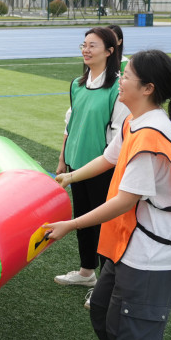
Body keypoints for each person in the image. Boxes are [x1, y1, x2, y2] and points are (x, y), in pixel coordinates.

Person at [43, 50, 171, 340]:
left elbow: (124, 201)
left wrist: (70, 224)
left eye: (127, 75)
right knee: (102, 311)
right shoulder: (135, 121)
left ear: (147, 88)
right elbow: (109, 157)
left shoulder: (150, 137)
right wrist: (70, 176)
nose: (121, 80)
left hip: (150, 257)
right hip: (127, 246)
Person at [54, 27, 129, 303]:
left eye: (93, 45)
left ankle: (108, 286)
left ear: (110, 51)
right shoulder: (77, 84)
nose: (86, 50)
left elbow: (119, 135)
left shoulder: (117, 88)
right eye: (84, 45)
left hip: (102, 169)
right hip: (77, 166)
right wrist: (63, 159)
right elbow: (70, 123)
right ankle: (87, 272)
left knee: (104, 226)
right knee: (83, 221)